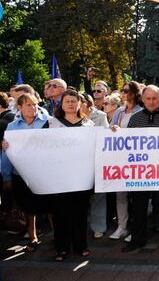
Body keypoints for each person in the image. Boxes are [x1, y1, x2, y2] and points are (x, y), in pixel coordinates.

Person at [120, 85, 159, 252]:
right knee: (138, 207)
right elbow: (126, 143)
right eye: (148, 98)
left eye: (154, 98)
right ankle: (137, 239)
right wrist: (115, 133)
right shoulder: (135, 118)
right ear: (143, 99)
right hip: (140, 172)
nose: (151, 102)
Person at [48, 90, 95, 261]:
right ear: (61, 104)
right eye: (67, 101)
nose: (70, 104)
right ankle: (61, 248)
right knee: (60, 214)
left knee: (80, 213)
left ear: (79, 103)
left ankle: (80, 246)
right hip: (59, 178)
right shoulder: (51, 123)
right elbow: (36, 144)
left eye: (73, 101)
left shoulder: (88, 124)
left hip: (81, 178)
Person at [1, 93, 51, 253]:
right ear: (20, 107)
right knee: (29, 209)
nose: (32, 108)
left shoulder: (47, 123)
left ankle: (58, 237)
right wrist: (6, 176)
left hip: (45, 173)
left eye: (35, 104)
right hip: (21, 175)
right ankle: (33, 237)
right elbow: (7, 153)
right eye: (28, 105)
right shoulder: (12, 127)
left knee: (51, 207)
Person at [109, 81, 143, 241]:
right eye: (122, 91)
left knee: (136, 196)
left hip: (137, 159)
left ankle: (136, 228)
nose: (122, 94)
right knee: (120, 194)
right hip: (120, 158)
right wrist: (113, 129)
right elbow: (110, 129)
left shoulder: (141, 111)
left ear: (135, 93)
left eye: (126, 91)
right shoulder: (119, 112)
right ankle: (122, 226)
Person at [80, 93, 109, 239]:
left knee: (98, 196)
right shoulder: (68, 118)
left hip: (97, 160)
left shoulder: (100, 116)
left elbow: (105, 137)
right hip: (79, 163)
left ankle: (98, 226)